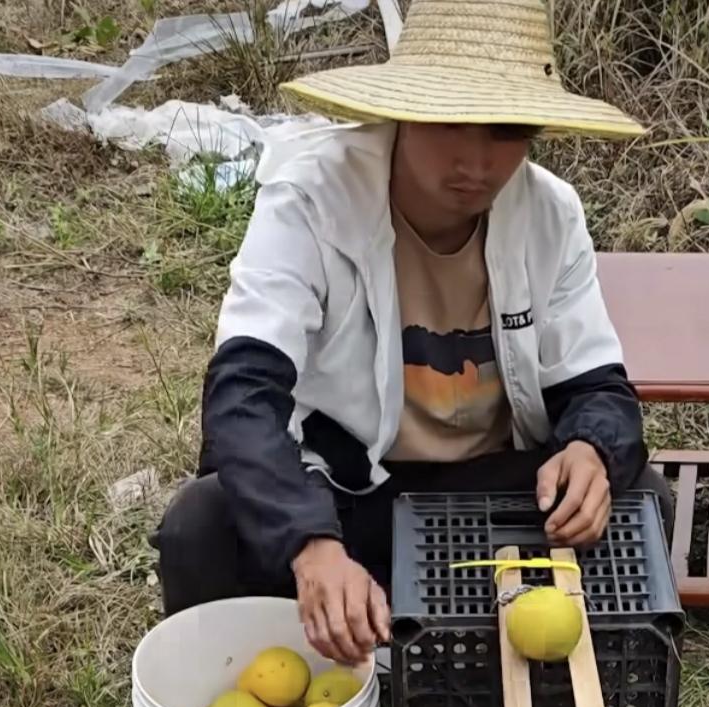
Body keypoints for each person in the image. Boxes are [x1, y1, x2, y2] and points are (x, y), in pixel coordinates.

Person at [155, 0, 671, 666]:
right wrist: (309, 544)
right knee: (203, 526)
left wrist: (591, 452)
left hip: (491, 499)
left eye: (506, 130)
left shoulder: (549, 215)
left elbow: (597, 383)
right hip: (352, 493)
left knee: (637, 496)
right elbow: (244, 392)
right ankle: (264, 700)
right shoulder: (311, 198)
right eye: (449, 121)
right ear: (402, 111)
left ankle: (549, 685)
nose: (476, 162)